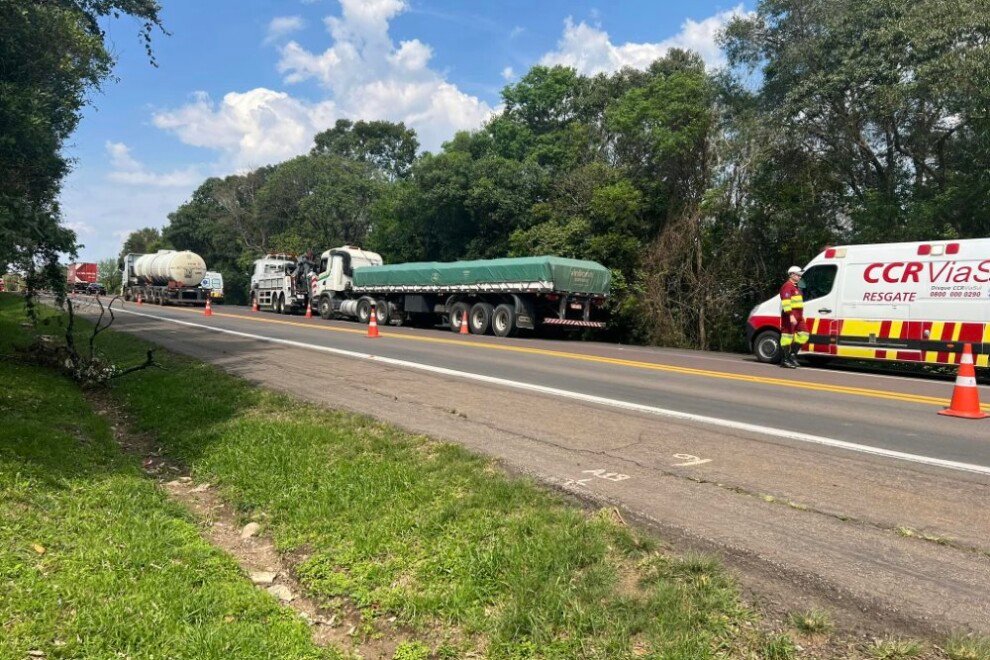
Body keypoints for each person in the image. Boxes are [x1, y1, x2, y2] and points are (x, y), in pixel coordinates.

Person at [779, 266, 809, 368]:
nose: (800, 276)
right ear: (792, 275)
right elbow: (786, 303)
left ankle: (792, 355)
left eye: (800, 275)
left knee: (804, 334)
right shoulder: (787, 286)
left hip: (799, 317)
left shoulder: (796, 287)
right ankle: (785, 360)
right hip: (790, 316)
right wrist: (791, 315)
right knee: (787, 338)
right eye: (798, 275)